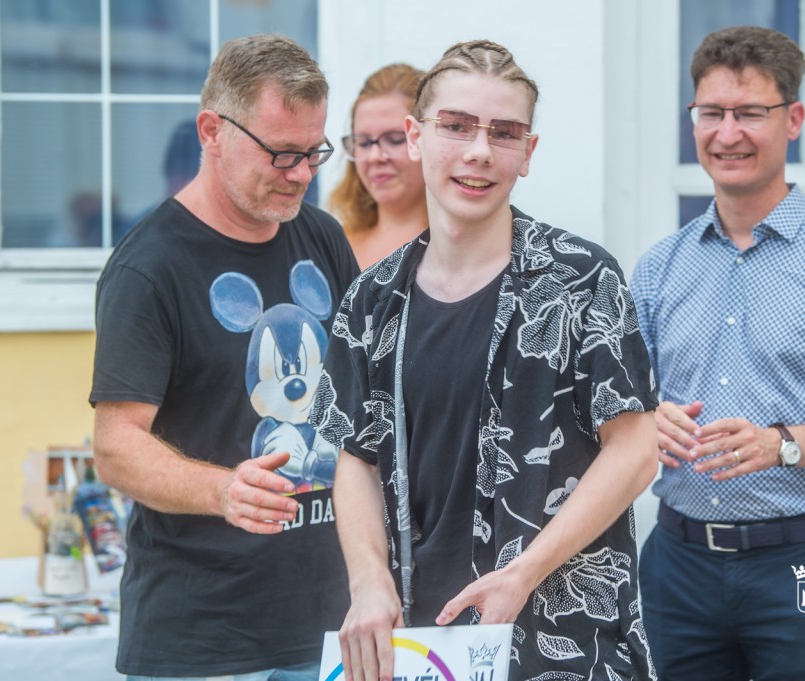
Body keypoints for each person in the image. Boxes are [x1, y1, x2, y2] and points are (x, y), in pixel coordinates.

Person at [310, 39, 659, 681]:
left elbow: (635, 452)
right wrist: (368, 581)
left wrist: (524, 572)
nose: (479, 151)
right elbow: (355, 456)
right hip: (419, 644)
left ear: (528, 152)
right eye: (457, 126)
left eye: (504, 132)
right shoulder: (371, 299)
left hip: (561, 643)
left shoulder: (582, 279)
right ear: (416, 136)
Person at [629, 26, 805, 681]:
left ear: (793, 120)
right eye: (711, 112)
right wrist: (648, 423)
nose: (727, 133)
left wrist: (783, 444)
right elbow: (624, 415)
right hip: (677, 565)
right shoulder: (657, 269)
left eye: (750, 113)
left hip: (804, 564)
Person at [89, 34, 359, 680]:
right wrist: (223, 490)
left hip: (327, 622)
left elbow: (363, 394)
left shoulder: (322, 236)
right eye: (281, 153)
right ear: (212, 131)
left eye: (313, 152)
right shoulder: (148, 268)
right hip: (202, 640)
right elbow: (116, 446)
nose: (302, 174)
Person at [328, 63, 427, 269]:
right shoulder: (334, 247)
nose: (375, 157)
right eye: (364, 143)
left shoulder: (460, 245)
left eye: (395, 139)